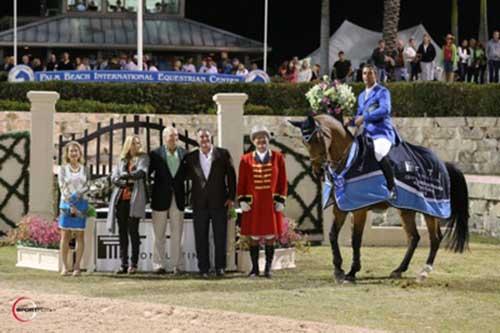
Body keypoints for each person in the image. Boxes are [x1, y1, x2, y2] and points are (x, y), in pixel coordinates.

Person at [183, 128, 236, 278]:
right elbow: (183, 176)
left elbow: (231, 176)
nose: (204, 140)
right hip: (199, 203)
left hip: (220, 202)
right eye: (201, 137)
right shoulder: (191, 157)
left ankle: (220, 267)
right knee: (201, 237)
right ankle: (203, 268)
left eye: (206, 137)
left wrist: (231, 197)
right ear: (197, 140)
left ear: (211, 138)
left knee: (220, 237)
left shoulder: (223, 154)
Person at [237, 125, 288, 278]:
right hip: (254, 204)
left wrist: (281, 200)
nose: (261, 143)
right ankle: (254, 269)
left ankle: (268, 269)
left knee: (270, 237)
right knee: (254, 237)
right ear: (254, 142)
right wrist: (242, 200)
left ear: (268, 141)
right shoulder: (245, 159)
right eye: (258, 140)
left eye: (264, 140)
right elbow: (242, 182)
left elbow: (283, 181)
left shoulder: (278, 157)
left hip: (271, 204)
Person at [107, 135, 149, 275]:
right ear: (128, 145)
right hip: (121, 200)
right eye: (134, 143)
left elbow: (141, 173)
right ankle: (123, 264)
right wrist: (120, 181)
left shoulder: (143, 158)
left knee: (133, 232)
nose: (137, 145)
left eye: (138, 143)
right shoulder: (122, 160)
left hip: (135, 200)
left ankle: (134, 264)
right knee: (122, 233)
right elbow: (113, 177)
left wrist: (126, 176)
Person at [352, 64, 396, 199]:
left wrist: (365, 117)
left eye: (370, 73)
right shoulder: (361, 96)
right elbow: (358, 114)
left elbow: (385, 110)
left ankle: (392, 187)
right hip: (367, 134)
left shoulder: (382, 92)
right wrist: (349, 121)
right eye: (364, 73)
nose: (366, 76)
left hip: (382, 133)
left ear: (375, 75)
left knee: (378, 153)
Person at [148, 126, 187, 274]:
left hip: (178, 198)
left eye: (176, 136)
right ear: (165, 138)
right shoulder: (155, 154)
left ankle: (178, 265)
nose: (174, 138)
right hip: (159, 198)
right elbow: (147, 174)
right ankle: (159, 265)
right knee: (159, 234)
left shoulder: (184, 153)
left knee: (178, 233)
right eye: (171, 136)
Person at [58, 141, 90, 277]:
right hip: (66, 204)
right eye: (71, 151)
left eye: (76, 151)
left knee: (80, 236)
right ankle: (65, 267)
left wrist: (77, 197)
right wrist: (71, 204)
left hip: (81, 204)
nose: (74, 153)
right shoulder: (63, 169)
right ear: (67, 154)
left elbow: (87, 186)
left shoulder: (85, 169)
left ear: (80, 153)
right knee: (65, 236)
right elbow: (62, 187)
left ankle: (77, 267)